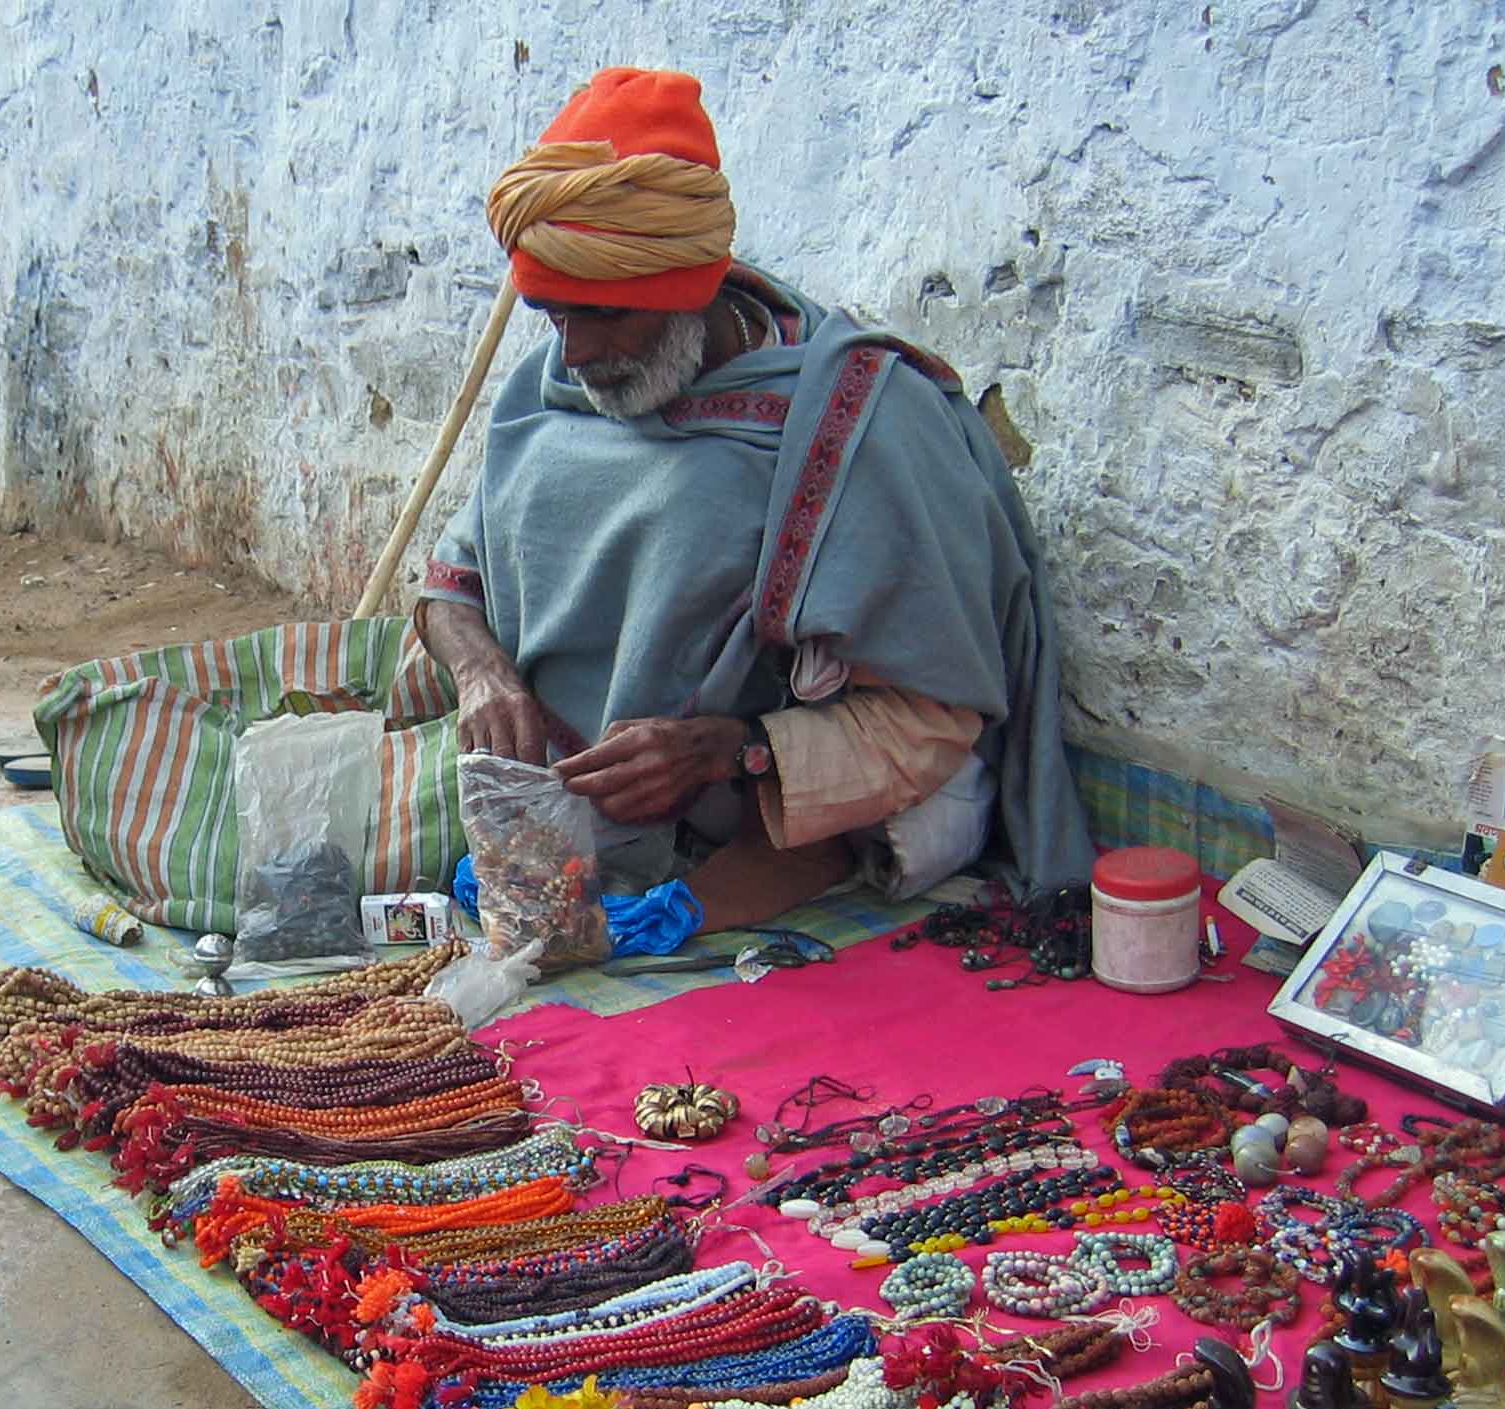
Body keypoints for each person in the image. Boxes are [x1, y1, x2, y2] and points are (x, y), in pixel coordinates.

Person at [418, 69, 1090, 933]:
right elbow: (449, 583)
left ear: (690, 287)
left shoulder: (862, 425)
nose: (575, 353)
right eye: (552, 317)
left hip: (788, 801)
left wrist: (730, 751)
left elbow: (935, 721)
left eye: (603, 316)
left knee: (636, 943)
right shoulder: (551, 390)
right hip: (563, 792)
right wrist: (483, 676)